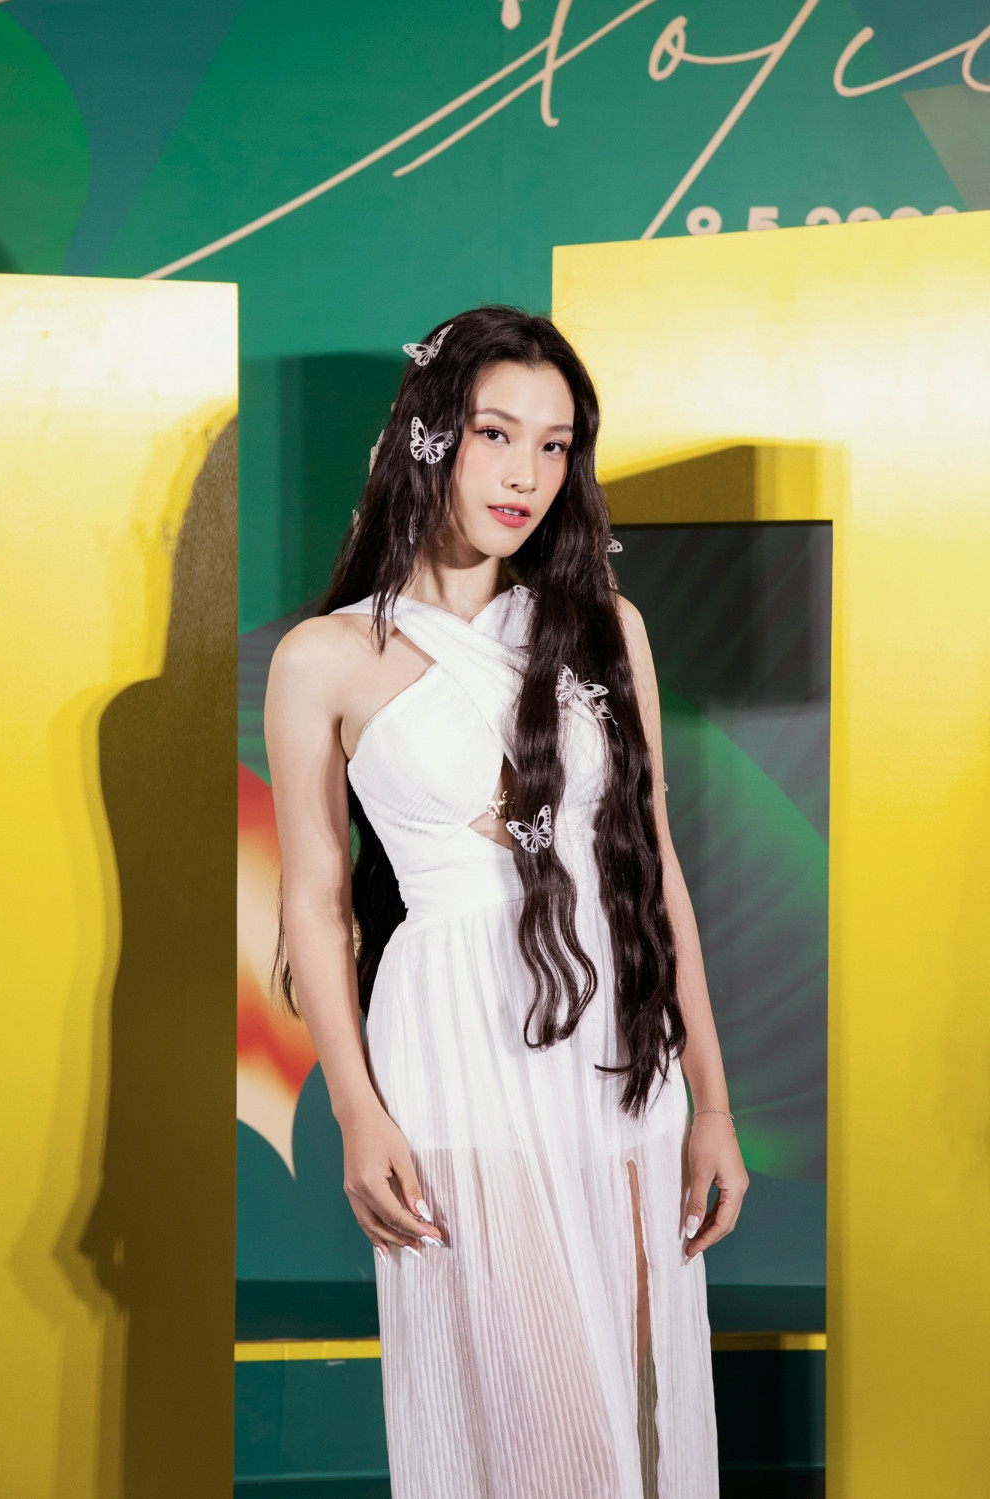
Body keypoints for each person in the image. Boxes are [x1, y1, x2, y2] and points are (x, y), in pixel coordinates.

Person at [264, 305, 747, 1499]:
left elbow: (652, 869)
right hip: (453, 1048)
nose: (526, 472)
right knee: (542, 1431)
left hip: (614, 1048)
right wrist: (356, 1109)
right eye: (495, 433)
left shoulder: (605, 630)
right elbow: (316, 907)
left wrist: (713, 1102)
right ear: (428, 437)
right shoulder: (323, 657)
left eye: (554, 443)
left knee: (633, 1417)